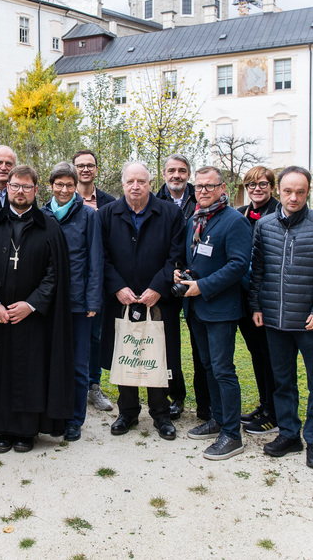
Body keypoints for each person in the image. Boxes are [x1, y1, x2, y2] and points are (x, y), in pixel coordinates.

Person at [0, 165, 74, 453]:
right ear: (7, 188)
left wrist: (31, 304)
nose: (20, 191)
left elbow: (54, 274)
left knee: (29, 372)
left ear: (35, 190)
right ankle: (0, 429)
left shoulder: (49, 227)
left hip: (32, 319)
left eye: (26, 187)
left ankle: (26, 431)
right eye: (15, 186)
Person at [249, 166, 313, 470]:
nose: (293, 197)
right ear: (278, 191)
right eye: (288, 191)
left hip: (310, 323)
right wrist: (256, 305)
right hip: (275, 321)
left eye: (300, 192)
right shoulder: (264, 226)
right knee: (283, 382)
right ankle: (289, 434)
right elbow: (258, 272)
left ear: (307, 192)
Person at [99, 161, 185, 441]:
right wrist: (117, 287)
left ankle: (160, 413)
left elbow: (176, 255)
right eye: (130, 182)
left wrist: (158, 287)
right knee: (126, 351)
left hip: (158, 300)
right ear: (122, 184)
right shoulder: (108, 214)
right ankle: (128, 411)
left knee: (158, 354)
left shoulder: (170, 213)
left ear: (150, 183)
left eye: (142, 181)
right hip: (121, 299)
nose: (135, 187)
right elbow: (102, 257)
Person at [175, 166, 252, 460]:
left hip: (220, 308)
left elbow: (237, 265)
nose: (203, 191)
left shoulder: (234, 222)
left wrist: (202, 286)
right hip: (197, 307)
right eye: (199, 186)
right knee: (207, 367)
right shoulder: (196, 218)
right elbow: (193, 257)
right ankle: (218, 419)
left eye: (210, 186)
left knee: (223, 370)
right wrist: (181, 273)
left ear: (223, 189)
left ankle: (232, 434)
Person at [42, 162, 103, 442]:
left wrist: (92, 300)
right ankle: (50, 414)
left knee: (79, 364)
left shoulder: (88, 216)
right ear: (51, 185)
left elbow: (95, 260)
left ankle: (75, 419)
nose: (64, 189)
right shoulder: (42, 214)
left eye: (69, 184)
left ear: (76, 186)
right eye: (59, 184)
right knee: (49, 361)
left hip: (78, 302)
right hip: (47, 302)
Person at [156, 153, 204, 420]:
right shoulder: (155, 200)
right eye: (172, 170)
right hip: (168, 281)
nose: (177, 175)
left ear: (189, 174)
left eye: (182, 170)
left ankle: (205, 404)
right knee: (168, 345)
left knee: (201, 348)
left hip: (198, 280)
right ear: (164, 173)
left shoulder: (200, 198)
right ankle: (175, 396)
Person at [236, 166, 281, 435]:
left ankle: (275, 413)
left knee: (271, 356)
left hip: (268, 298)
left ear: (272, 187)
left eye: (263, 184)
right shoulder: (241, 213)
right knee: (256, 354)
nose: (257, 189)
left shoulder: (278, 212)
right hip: (244, 297)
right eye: (251, 185)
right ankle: (265, 405)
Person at [72, 149, 116, 414]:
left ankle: (93, 385)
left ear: (96, 169)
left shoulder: (109, 203)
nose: (85, 169)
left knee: (96, 336)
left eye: (90, 165)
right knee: (72, 336)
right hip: (73, 280)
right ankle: (71, 384)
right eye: (80, 165)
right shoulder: (63, 197)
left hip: (99, 281)